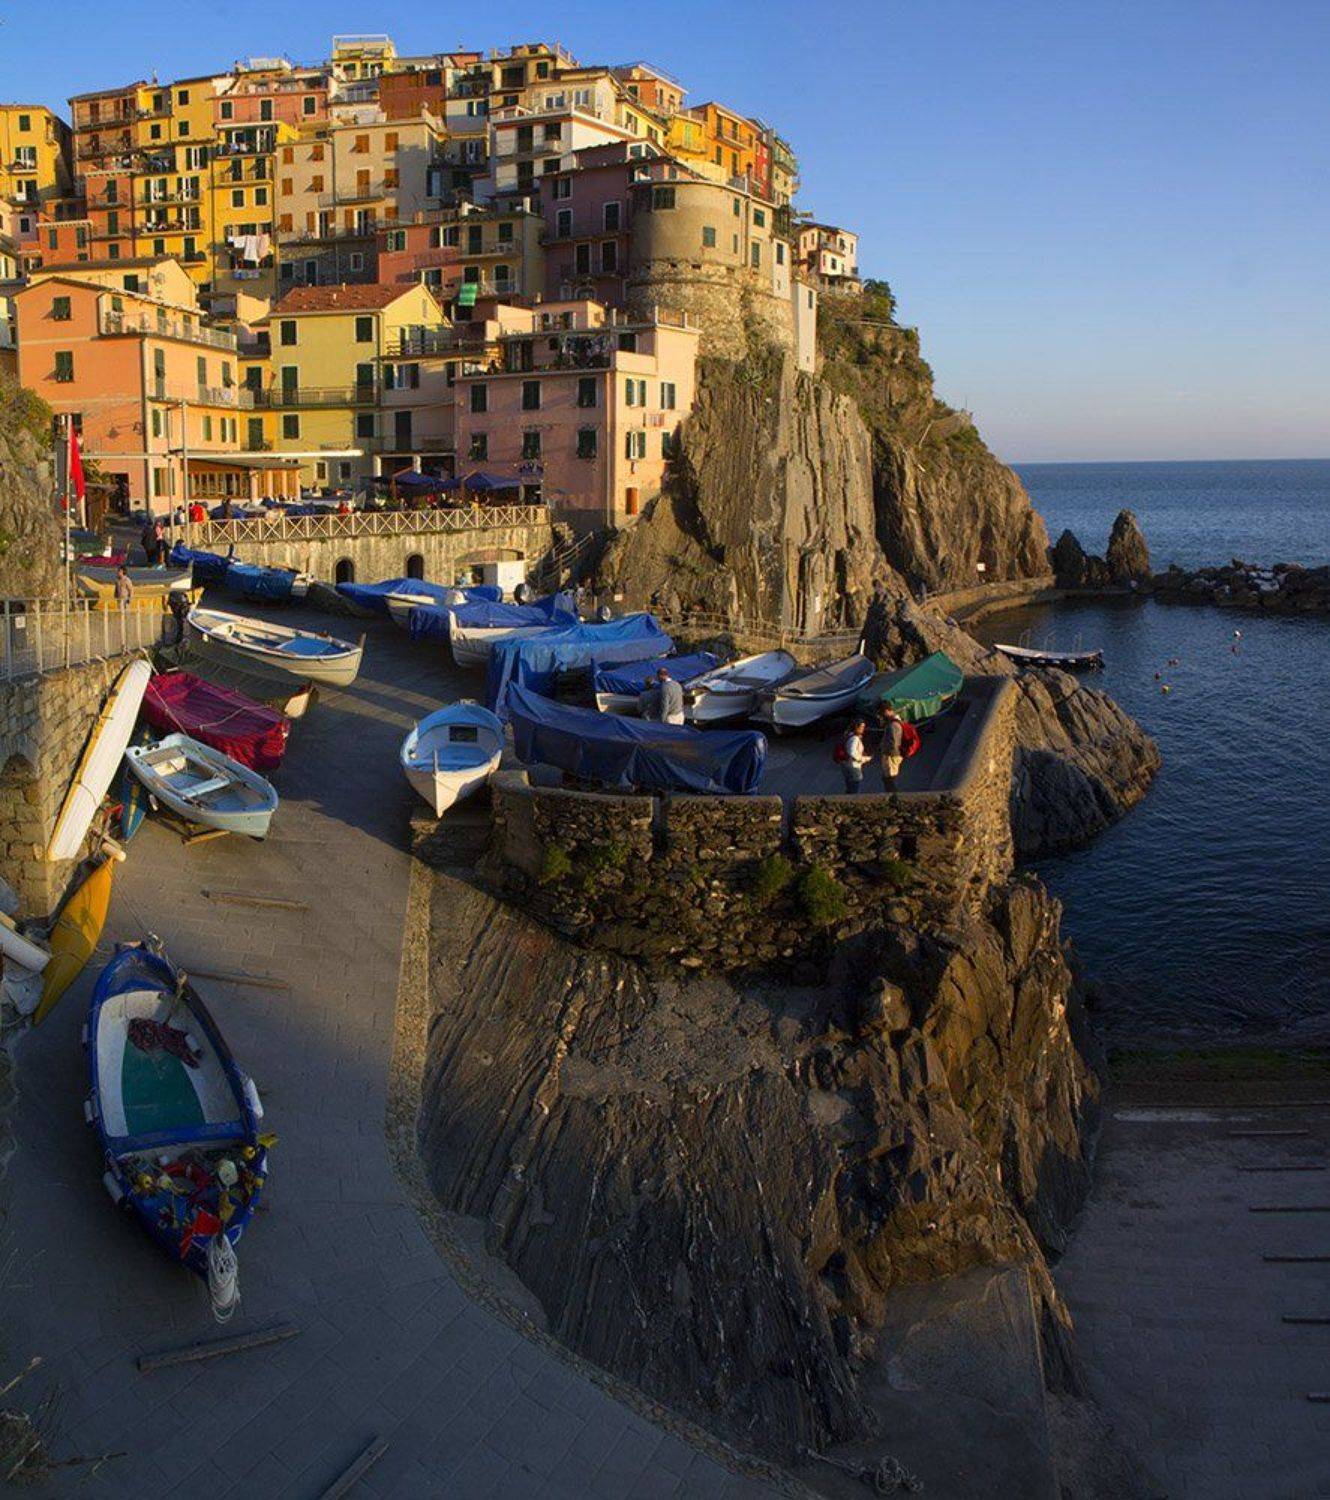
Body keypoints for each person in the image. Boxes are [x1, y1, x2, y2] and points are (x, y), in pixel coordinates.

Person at [839, 717, 870, 794]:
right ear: (856, 727)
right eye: (861, 727)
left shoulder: (848, 735)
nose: (863, 729)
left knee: (849, 787)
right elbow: (852, 752)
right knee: (855, 787)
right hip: (853, 766)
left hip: (846, 764)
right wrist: (863, 759)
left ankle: (847, 800)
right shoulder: (855, 738)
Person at [879, 704, 906, 790]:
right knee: (889, 779)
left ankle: (893, 799)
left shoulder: (893, 725)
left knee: (889, 779)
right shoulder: (896, 722)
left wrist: (887, 754)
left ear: (887, 711)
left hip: (891, 756)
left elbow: (893, 743)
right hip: (893, 755)